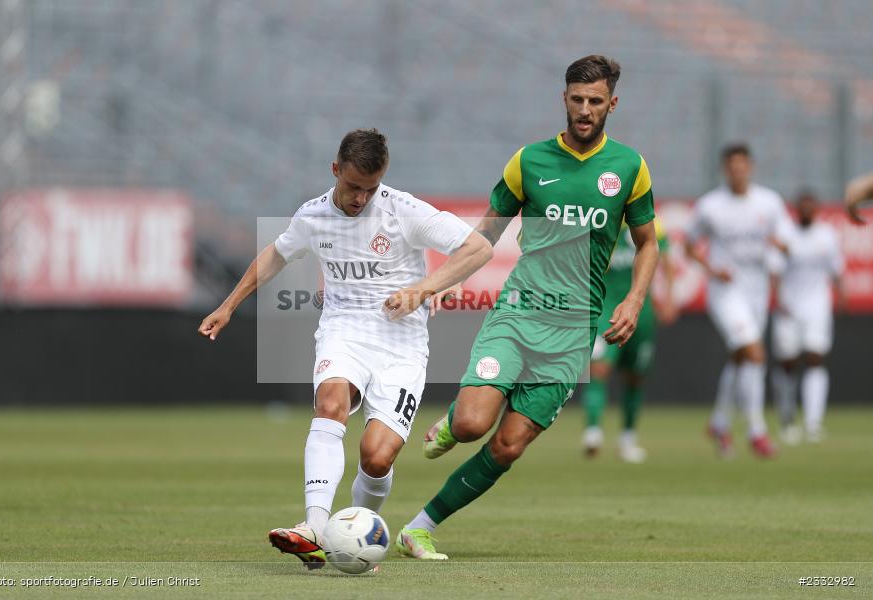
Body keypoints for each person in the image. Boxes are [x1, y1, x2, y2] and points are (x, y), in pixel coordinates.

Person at [395, 55, 660, 561]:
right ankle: (453, 421)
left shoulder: (629, 167)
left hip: (574, 329)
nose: (585, 111)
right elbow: (483, 237)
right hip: (519, 314)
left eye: (596, 102)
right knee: (474, 425)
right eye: (577, 100)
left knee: (508, 444)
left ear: (612, 105)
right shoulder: (528, 162)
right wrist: (437, 284)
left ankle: (420, 527)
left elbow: (647, 244)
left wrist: (634, 297)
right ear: (564, 98)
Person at [198, 128, 492, 569]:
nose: (360, 198)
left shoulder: (403, 210)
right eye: (353, 186)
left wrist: (423, 289)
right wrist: (228, 305)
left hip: (402, 346)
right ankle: (315, 526)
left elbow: (479, 247)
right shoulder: (313, 216)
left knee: (376, 456)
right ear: (336, 170)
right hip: (344, 331)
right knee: (330, 402)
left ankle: (360, 530)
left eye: (370, 189)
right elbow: (276, 255)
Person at [685, 143, 792, 458]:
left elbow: (786, 243)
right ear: (724, 169)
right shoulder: (710, 206)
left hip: (756, 291)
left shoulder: (769, 202)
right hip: (725, 292)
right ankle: (757, 431)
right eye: (732, 166)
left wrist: (780, 246)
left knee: (741, 359)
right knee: (754, 353)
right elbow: (690, 245)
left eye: (742, 165)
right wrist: (711, 269)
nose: (737, 171)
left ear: (750, 167)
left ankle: (719, 422)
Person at [581, 218, 678, 463]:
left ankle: (628, 437)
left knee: (635, 376)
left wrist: (669, 298)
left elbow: (665, 262)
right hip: (604, 308)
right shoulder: (600, 218)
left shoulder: (651, 224)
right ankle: (593, 432)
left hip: (640, 311)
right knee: (599, 368)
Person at [771, 190, 844, 444]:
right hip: (788, 307)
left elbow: (836, 270)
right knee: (788, 362)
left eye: (811, 206)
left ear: (817, 209)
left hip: (817, 306)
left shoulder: (827, 235)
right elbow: (775, 272)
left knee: (815, 357)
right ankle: (787, 419)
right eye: (802, 206)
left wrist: (840, 296)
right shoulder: (785, 236)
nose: (807, 211)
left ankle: (813, 422)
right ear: (796, 209)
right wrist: (777, 299)